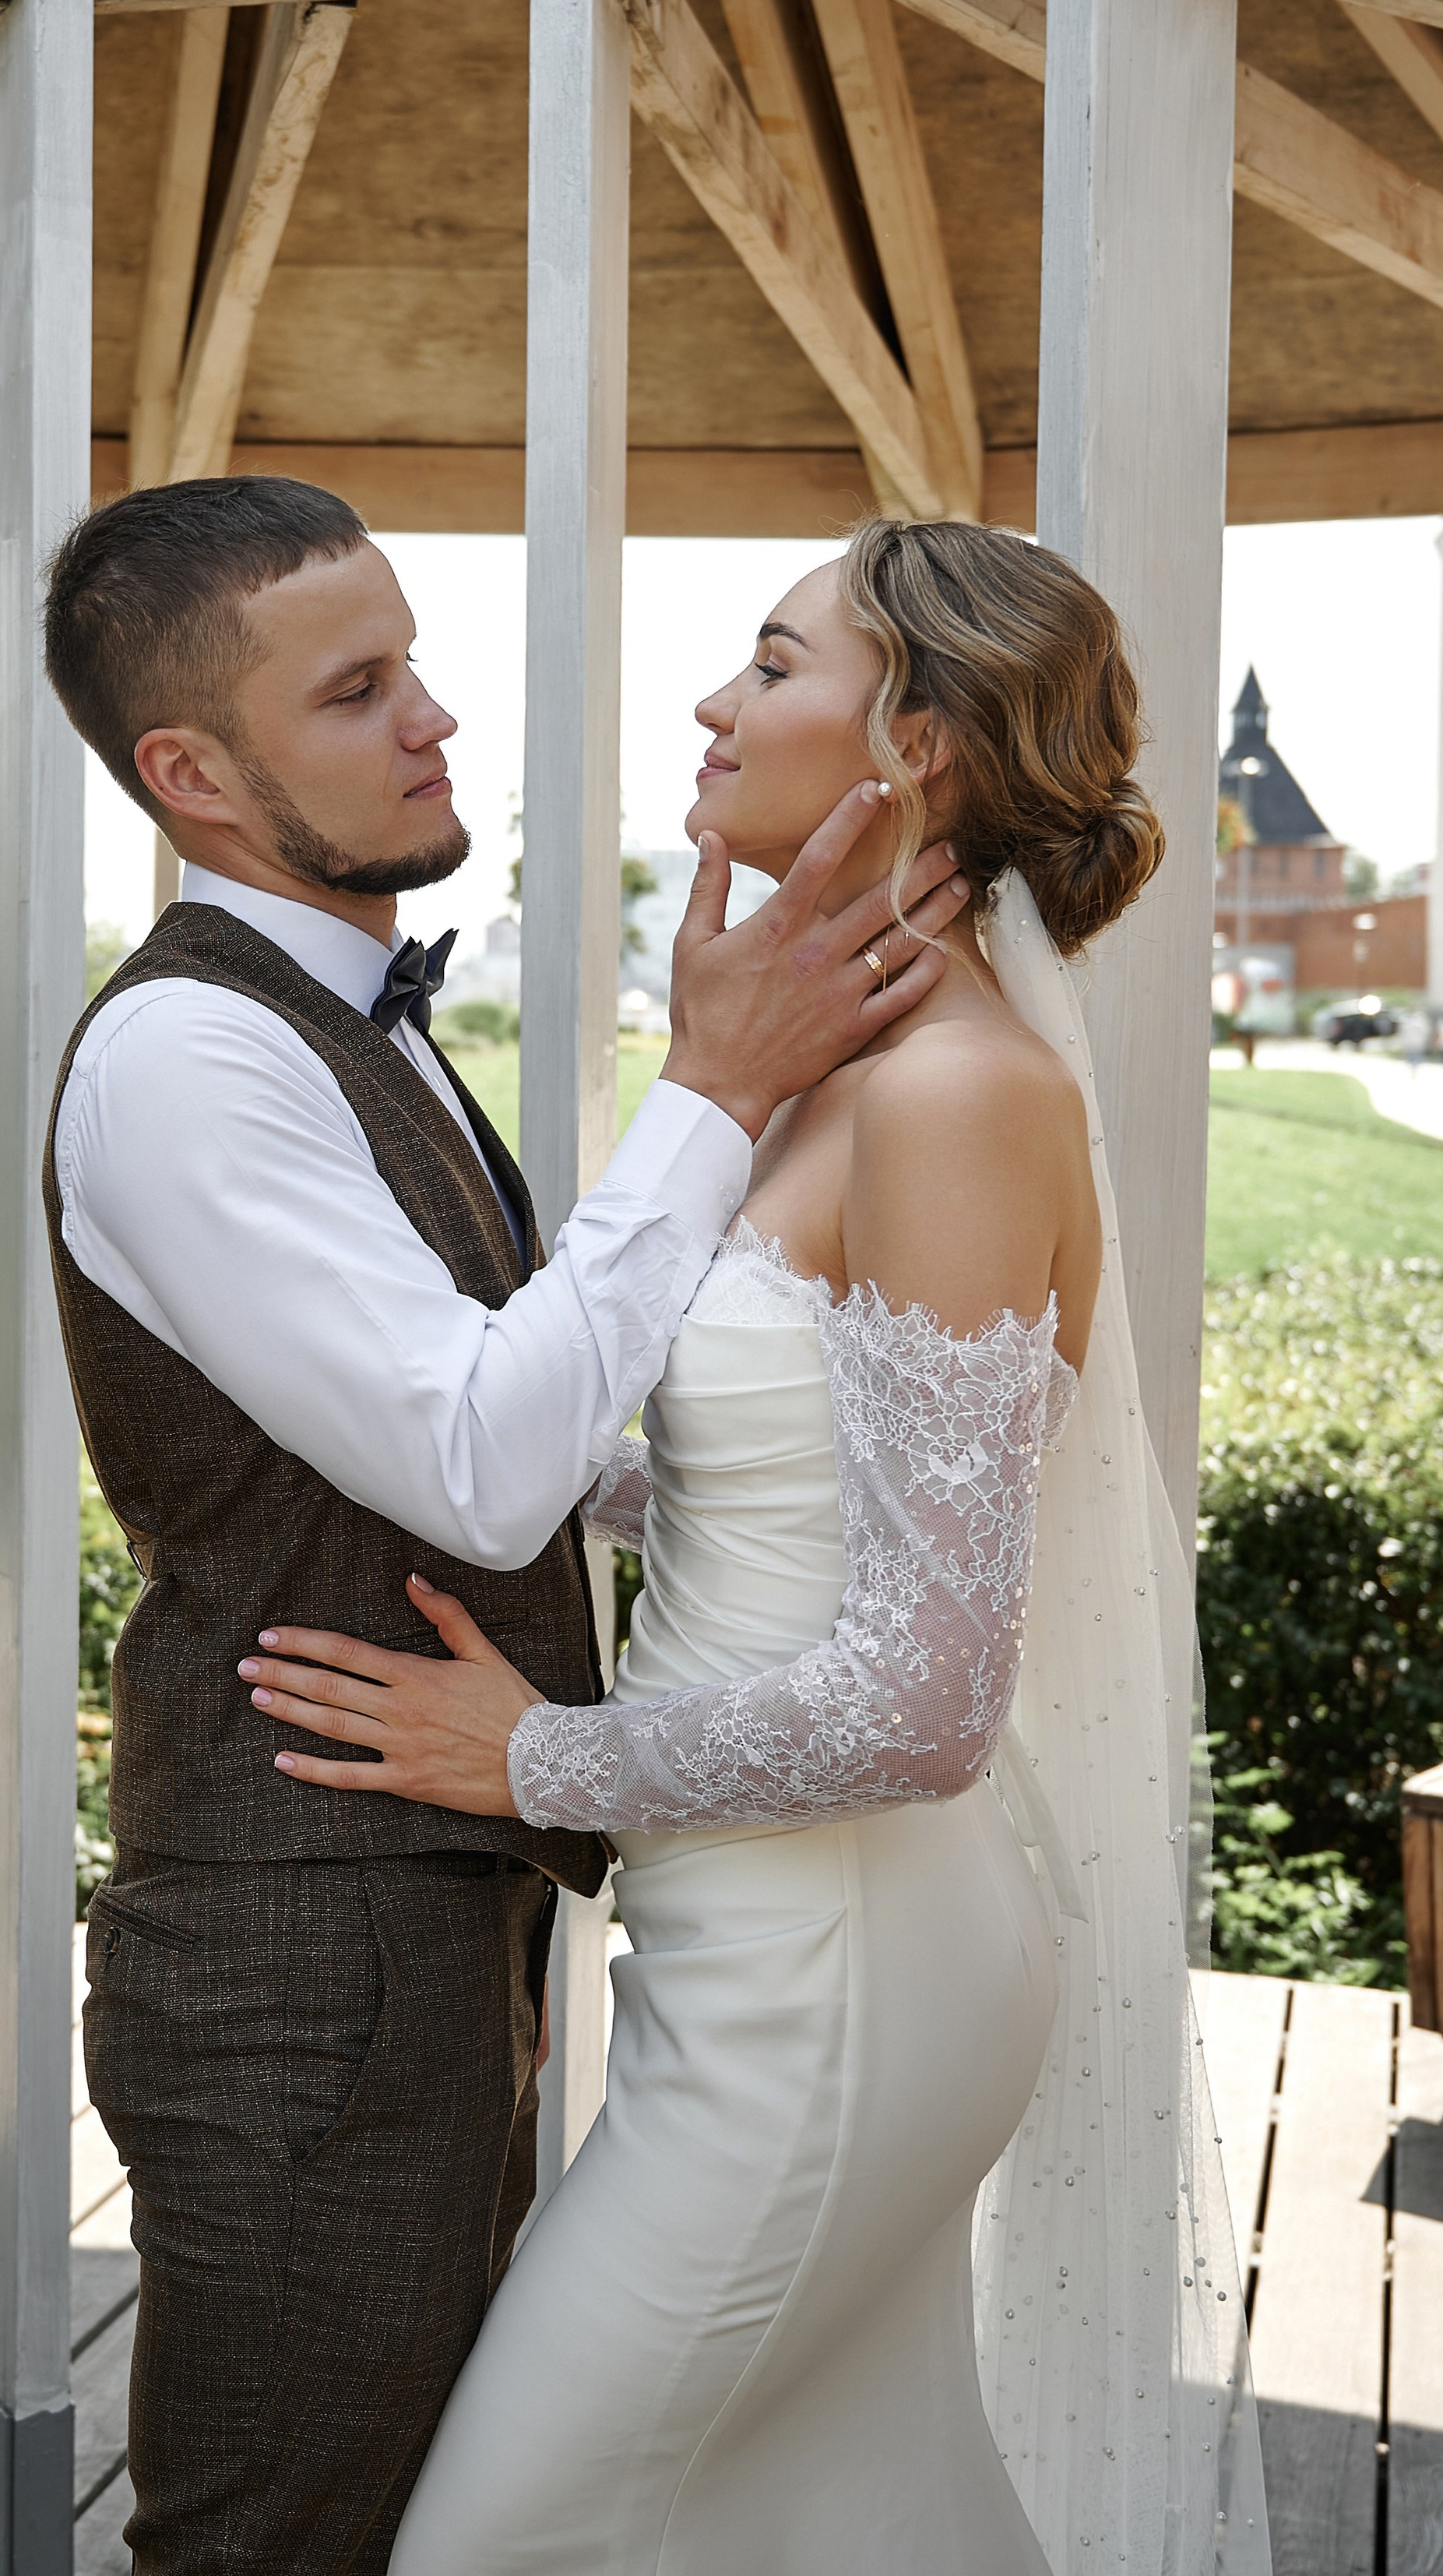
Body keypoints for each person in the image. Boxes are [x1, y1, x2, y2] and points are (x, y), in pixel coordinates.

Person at [241, 518, 1272, 2576]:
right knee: (849, 2523)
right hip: (758, 1942)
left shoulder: (960, 1097)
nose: (715, 703)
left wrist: (526, 1758)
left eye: (774, 661)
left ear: (931, 748)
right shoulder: (826, 1072)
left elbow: (927, 1694)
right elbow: (779, 1464)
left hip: (847, 1975)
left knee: (494, 2545)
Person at [37, 477, 965, 2575]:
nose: (435, 719)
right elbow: (477, 1457)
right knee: (283, 2544)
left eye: (415, 662)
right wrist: (711, 1095)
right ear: (190, 771)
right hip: (297, 1960)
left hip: (431, 1936)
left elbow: (495, 1435)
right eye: (358, 691)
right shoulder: (189, 1056)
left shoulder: (353, 1026)